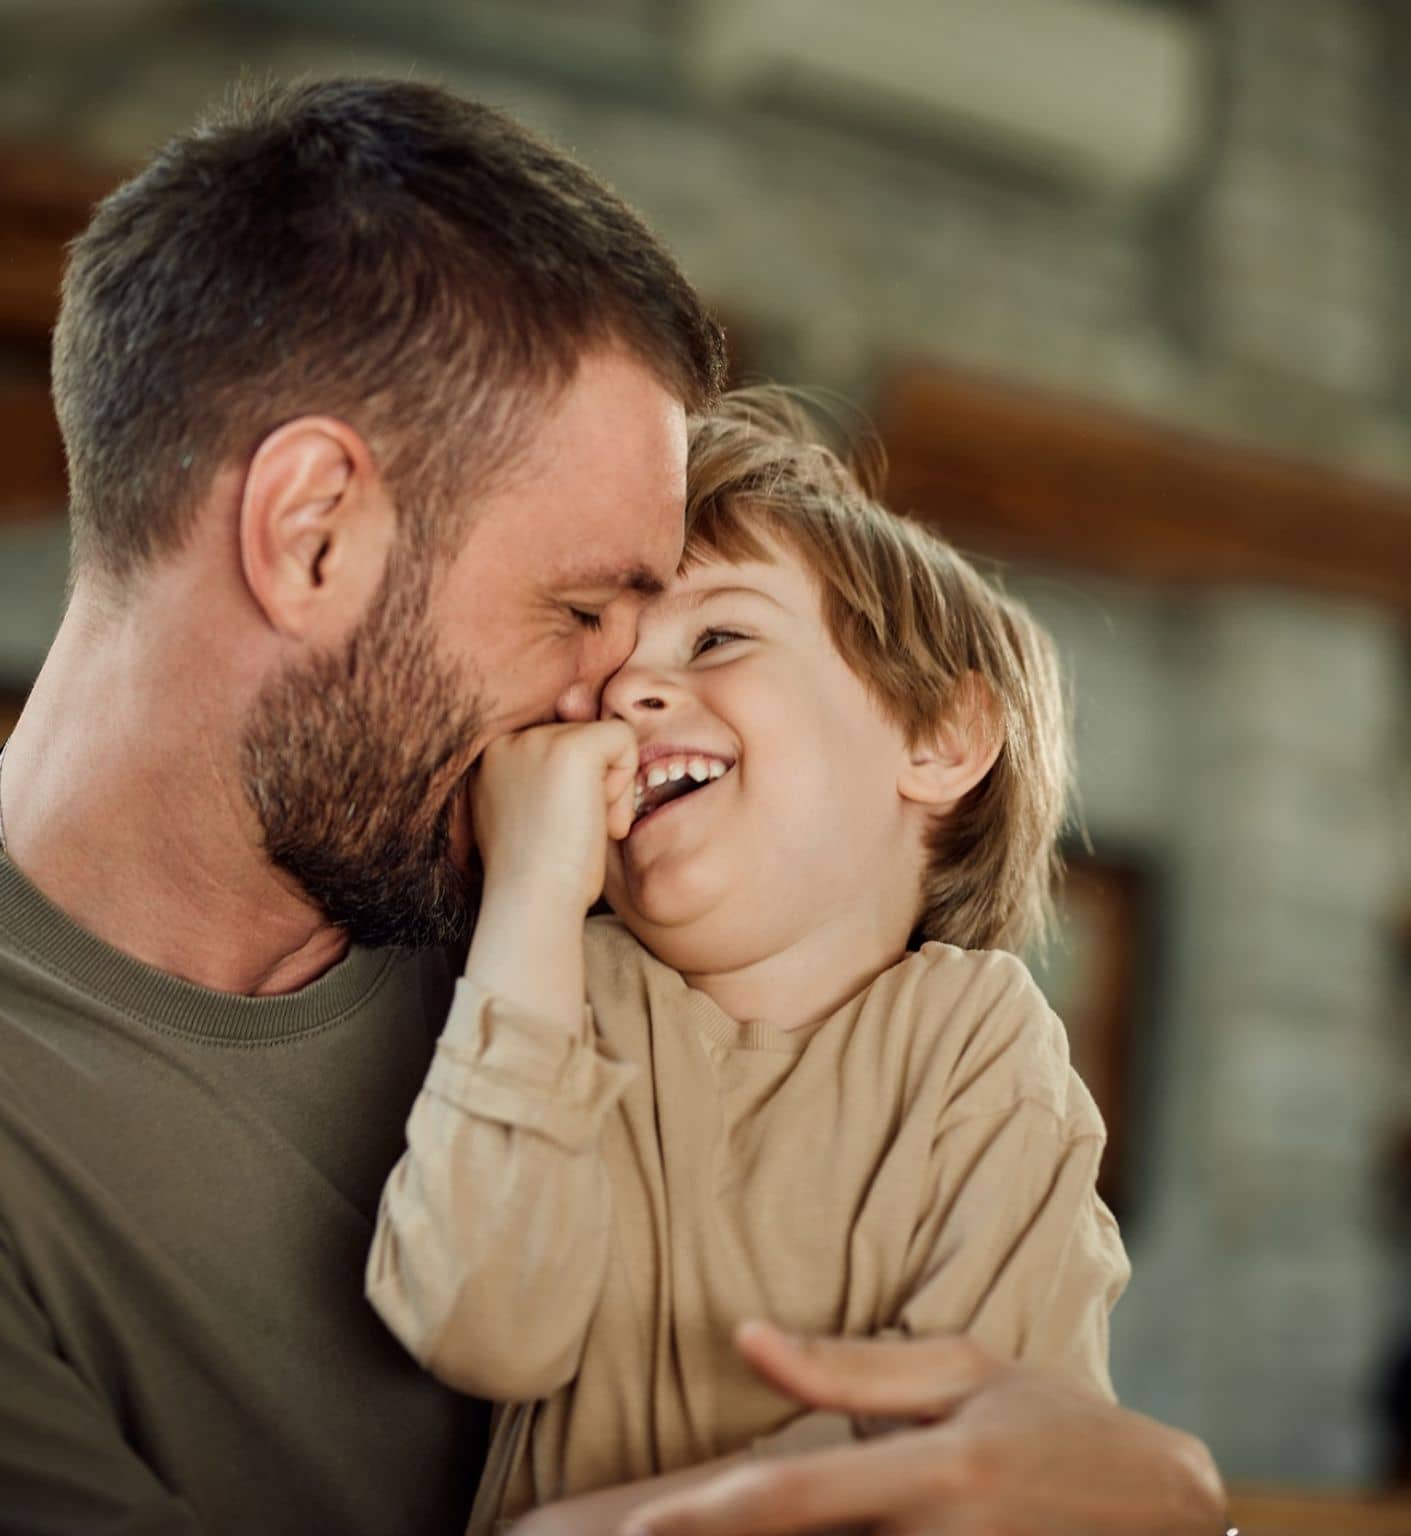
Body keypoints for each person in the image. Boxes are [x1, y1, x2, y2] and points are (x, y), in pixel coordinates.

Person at [0, 74, 1224, 1536]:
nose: (611, 707)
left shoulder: (579, 916)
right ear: (311, 535)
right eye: (584, 609)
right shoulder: (536, 938)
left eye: (695, 634)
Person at [366, 389, 1119, 1534]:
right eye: (604, 673)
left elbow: (977, 1457)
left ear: (939, 739)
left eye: (716, 636)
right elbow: (480, 1321)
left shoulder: (979, 1042)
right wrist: (528, 893)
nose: (626, 695)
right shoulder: (560, 992)